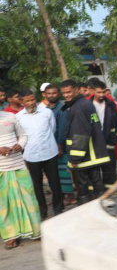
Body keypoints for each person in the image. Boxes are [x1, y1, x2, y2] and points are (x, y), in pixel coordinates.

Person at [60, 79, 111, 204]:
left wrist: (74, 158)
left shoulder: (78, 107)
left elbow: (80, 134)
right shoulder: (84, 104)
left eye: (69, 92)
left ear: (76, 90)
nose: (66, 95)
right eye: (64, 93)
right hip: (92, 153)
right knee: (97, 182)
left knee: (83, 187)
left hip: (84, 155)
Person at [17, 89, 63, 220]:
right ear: (22, 102)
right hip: (32, 156)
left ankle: (58, 209)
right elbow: (20, 137)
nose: (31, 103)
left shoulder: (47, 113)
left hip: (50, 152)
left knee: (55, 183)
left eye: (33, 100)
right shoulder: (19, 118)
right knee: (37, 186)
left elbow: (52, 129)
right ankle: (43, 212)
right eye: (28, 101)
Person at [0, 105, 39, 250]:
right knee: (4, 206)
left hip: (18, 165)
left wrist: (20, 145)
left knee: (29, 198)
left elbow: (23, 135)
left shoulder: (10, 116)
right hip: (1, 170)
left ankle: (35, 231)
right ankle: (11, 237)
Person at [43, 84, 74, 204]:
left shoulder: (62, 108)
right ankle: (59, 197)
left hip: (60, 146)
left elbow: (62, 129)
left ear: (58, 94)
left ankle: (70, 197)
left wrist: (60, 146)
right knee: (54, 173)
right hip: (49, 145)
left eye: (54, 93)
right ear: (45, 95)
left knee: (63, 172)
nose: (51, 95)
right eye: (49, 93)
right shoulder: (45, 109)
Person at [89, 80, 117, 189]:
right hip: (93, 146)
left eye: (103, 92)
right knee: (94, 174)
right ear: (93, 91)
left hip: (109, 145)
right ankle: (96, 196)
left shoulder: (110, 105)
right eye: (98, 92)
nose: (101, 95)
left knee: (110, 173)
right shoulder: (87, 106)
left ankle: (110, 197)